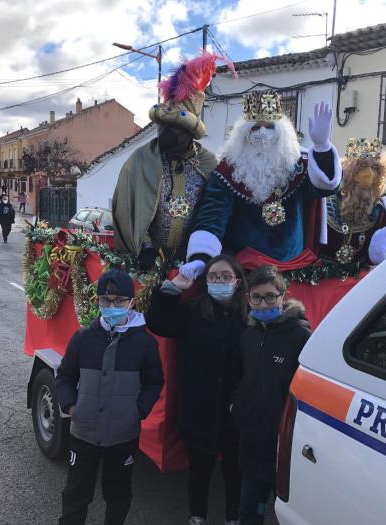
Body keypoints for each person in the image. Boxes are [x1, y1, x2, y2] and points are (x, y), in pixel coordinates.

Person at [181, 91, 342, 279]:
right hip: (244, 269)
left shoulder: (300, 164)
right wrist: (201, 256)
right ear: (243, 134)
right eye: (255, 128)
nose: (263, 133)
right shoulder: (227, 170)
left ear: (282, 133)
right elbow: (212, 216)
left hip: (293, 267)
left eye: (270, 126)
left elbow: (324, 188)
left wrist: (322, 147)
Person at [56, 269, 164, 525]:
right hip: (83, 433)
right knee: (75, 493)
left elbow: (154, 382)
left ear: (131, 302)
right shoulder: (83, 338)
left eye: (119, 301)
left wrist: (137, 411)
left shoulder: (144, 344)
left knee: (118, 495)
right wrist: (71, 406)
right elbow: (65, 376)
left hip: (122, 436)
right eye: (106, 300)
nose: (112, 306)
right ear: (98, 302)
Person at [146, 255, 248, 525]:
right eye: (214, 277)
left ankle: (233, 517)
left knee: (234, 470)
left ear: (237, 282)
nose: (220, 281)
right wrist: (174, 286)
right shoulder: (192, 312)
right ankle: (197, 515)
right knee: (199, 471)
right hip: (197, 409)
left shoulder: (249, 317)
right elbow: (158, 322)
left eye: (226, 277)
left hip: (235, 411)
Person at [112, 52, 234, 270]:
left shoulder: (209, 164)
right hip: (145, 263)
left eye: (175, 128)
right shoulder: (141, 160)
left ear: (190, 133)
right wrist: (146, 248)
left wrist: (198, 253)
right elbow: (127, 209)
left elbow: (214, 212)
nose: (167, 134)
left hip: (191, 263)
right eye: (163, 126)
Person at [232, 265, 311, 525]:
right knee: (249, 513)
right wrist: (238, 408)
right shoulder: (249, 336)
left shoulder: (301, 337)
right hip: (251, 444)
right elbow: (242, 378)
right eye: (257, 297)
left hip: (282, 448)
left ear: (283, 296)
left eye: (270, 296)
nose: (264, 303)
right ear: (248, 299)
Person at [322, 138, 386, 265]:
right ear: (350, 171)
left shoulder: (382, 209)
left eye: (374, 167)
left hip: (363, 278)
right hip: (323, 276)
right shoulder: (327, 201)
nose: (369, 173)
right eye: (363, 167)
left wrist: (382, 241)